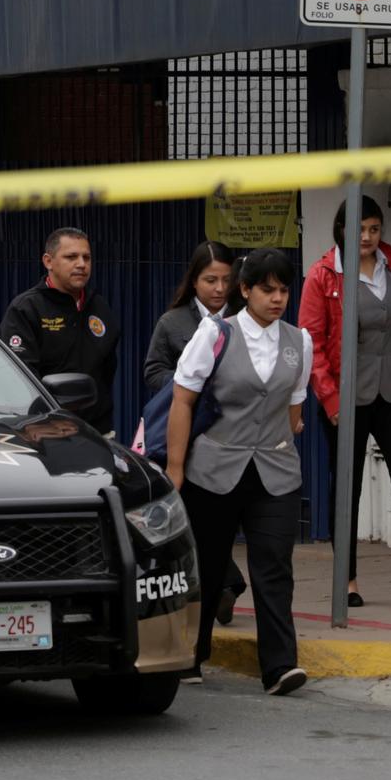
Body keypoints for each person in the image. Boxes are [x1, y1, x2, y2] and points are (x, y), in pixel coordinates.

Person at [165, 248, 312, 696]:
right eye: (267, 289)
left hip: (275, 472)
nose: (278, 298)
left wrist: (278, 439)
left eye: (284, 289)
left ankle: (280, 666)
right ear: (244, 290)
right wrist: (175, 469)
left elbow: (294, 408)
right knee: (207, 567)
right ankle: (192, 654)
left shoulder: (298, 341)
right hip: (214, 469)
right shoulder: (215, 334)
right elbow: (182, 400)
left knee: (274, 566)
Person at [298, 196, 391, 609]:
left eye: (374, 229)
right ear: (342, 229)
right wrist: (330, 398)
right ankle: (348, 580)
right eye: (359, 230)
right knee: (348, 488)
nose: (368, 238)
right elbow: (311, 344)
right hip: (347, 395)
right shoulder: (322, 276)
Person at [144, 241, 248, 632]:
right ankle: (222, 586)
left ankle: (225, 584)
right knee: (195, 518)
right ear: (194, 281)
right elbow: (153, 371)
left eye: (225, 280)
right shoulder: (173, 323)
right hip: (187, 434)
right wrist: (188, 388)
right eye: (210, 280)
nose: (219, 288)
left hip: (232, 435)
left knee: (217, 521)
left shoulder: (243, 320)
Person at [0, 228, 121, 433]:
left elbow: (107, 372)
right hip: (43, 434)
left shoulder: (99, 306)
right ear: (48, 261)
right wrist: (42, 423)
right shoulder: (26, 309)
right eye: (71, 257)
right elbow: (18, 379)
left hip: (97, 432)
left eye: (86, 257)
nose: (81, 264)